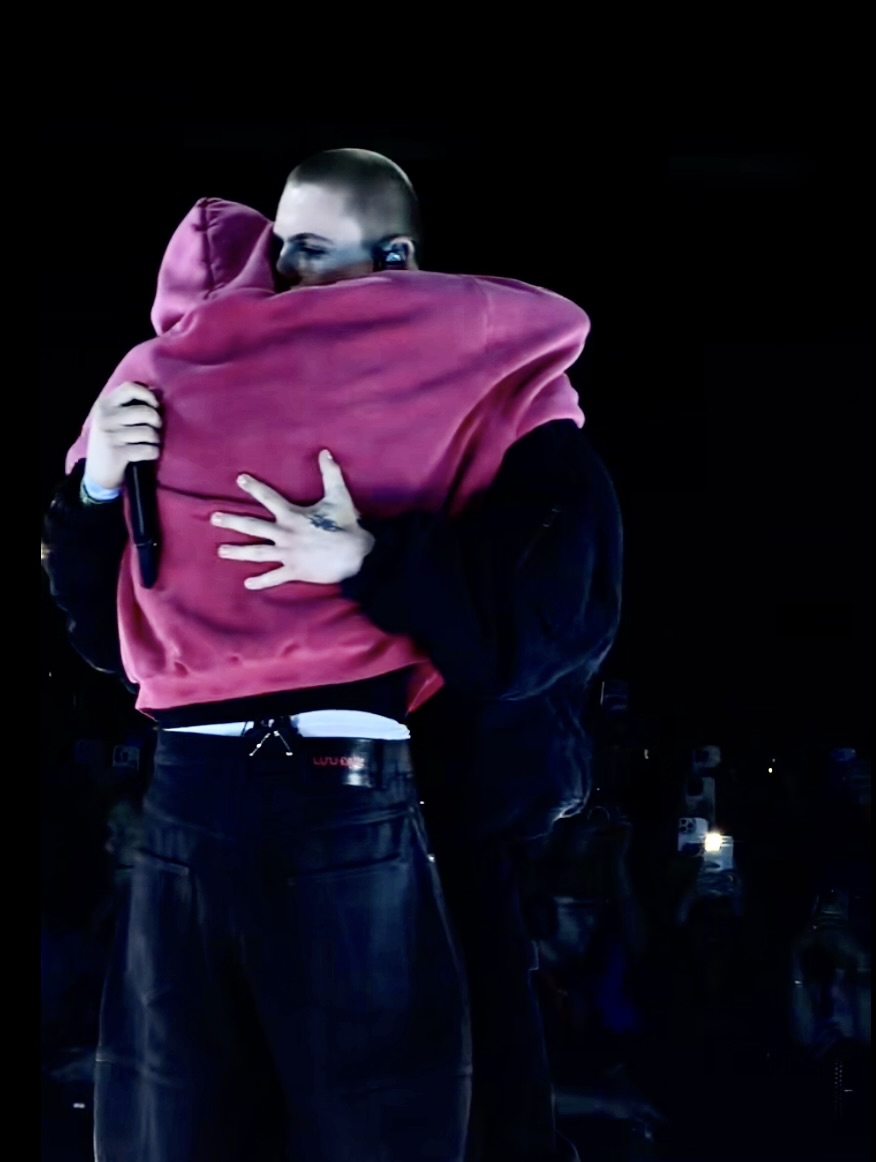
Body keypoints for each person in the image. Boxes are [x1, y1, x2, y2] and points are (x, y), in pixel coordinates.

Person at [43, 148, 622, 1162]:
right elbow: (107, 638)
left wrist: (368, 561)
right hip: (199, 801)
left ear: (395, 258)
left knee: (399, 1117)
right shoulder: (211, 390)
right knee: (186, 1118)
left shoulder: (502, 396)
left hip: (417, 816)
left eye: (311, 250)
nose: (284, 278)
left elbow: (551, 626)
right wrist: (100, 485)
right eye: (280, 252)